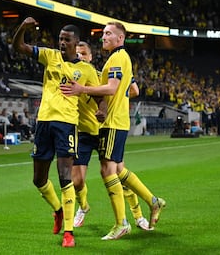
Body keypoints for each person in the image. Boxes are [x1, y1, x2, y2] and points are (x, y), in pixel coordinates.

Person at [61, 21, 166, 240]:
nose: (103, 37)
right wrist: (118, 98)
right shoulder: (116, 59)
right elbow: (131, 89)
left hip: (112, 124)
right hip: (111, 122)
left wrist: (83, 89)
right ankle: (152, 202)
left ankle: (122, 223)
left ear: (120, 38)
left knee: (107, 170)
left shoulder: (118, 58)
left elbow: (111, 88)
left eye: (108, 33)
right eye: (103, 34)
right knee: (117, 169)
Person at [12, 17, 101, 247]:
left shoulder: (86, 70)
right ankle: (59, 211)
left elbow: (101, 96)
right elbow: (19, 47)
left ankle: (69, 233)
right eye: (60, 39)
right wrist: (22, 28)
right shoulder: (49, 56)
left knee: (64, 177)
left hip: (66, 125)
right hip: (43, 123)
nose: (62, 43)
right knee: (38, 179)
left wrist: (101, 111)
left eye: (66, 40)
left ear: (76, 43)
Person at [72, 41, 151, 231]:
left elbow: (133, 90)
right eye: (78, 54)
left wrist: (114, 102)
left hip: (103, 131)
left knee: (117, 174)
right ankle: (83, 207)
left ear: (91, 57)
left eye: (84, 54)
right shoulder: (70, 79)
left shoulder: (100, 77)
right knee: (77, 180)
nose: (81, 57)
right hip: (82, 133)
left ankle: (138, 215)